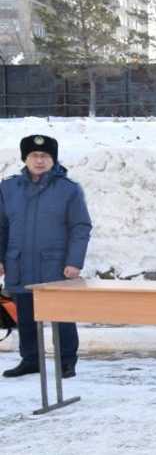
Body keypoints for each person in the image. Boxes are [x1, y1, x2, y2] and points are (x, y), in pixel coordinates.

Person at [0, 134, 92, 379]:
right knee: (26, 317)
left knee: (62, 315)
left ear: (53, 159)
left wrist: (74, 262)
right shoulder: (8, 188)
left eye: (45, 156)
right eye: (34, 155)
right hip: (18, 262)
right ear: (25, 158)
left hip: (55, 265)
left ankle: (66, 362)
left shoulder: (68, 190)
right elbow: (2, 227)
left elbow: (80, 227)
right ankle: (30, 360)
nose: (39, 160)